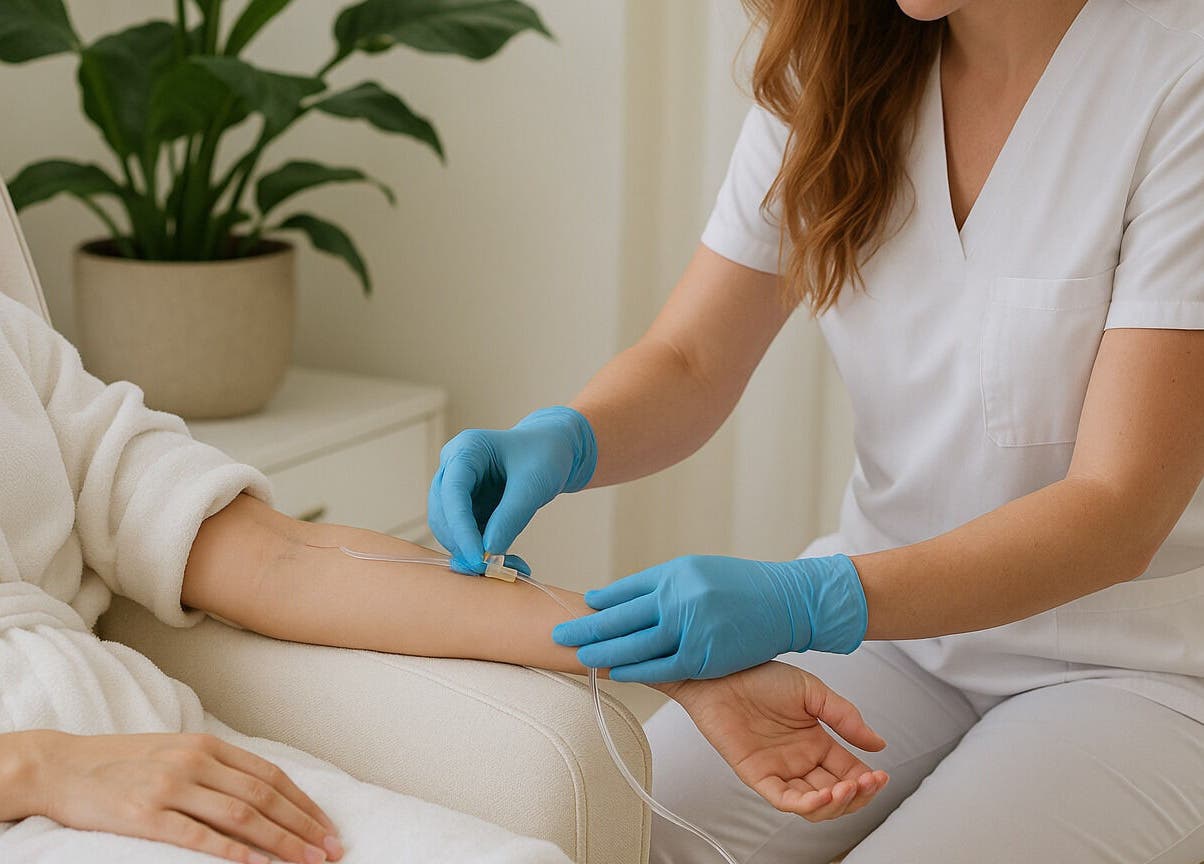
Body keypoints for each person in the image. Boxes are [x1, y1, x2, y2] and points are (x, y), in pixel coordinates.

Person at [426, 0, 1204, 860]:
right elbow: (692, 359)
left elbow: (1119, 506)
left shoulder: (1181, 78)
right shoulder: (834, 57)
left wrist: (808, 600)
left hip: (1133, 669)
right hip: (896, 641)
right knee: (602, 836)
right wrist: (565, 439)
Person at [0, 281, 888, 864]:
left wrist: (670, 655)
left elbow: (282, 558)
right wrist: (38, 768)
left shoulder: (13, 347)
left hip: (176, 758)